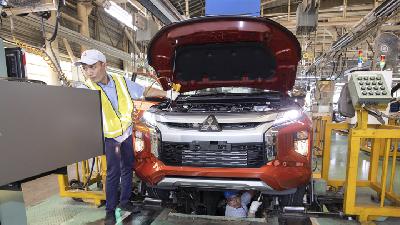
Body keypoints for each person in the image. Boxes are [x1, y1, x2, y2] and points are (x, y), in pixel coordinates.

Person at [74, 49, 178, 224]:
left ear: (104, 65)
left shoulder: (121, 82)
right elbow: (75, 100)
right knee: (113, 173)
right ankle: (110, 209)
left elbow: (144, 91)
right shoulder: (86, 88)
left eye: (92, 67)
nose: (89, 72)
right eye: (85, 68)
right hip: (110, 137)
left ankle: (125, 202)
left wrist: (167, 94)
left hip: (126, 134)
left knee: (128, 167)